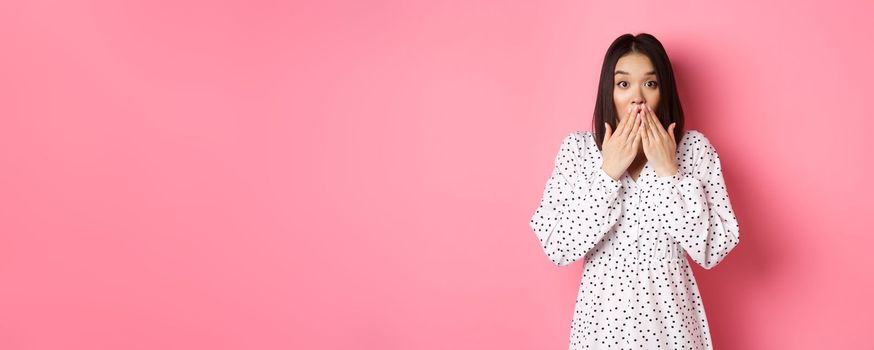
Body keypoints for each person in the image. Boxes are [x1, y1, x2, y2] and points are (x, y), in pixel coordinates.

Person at [529, 33, 740, 349]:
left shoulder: (694, 150)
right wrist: (608, 173)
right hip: (601, 331)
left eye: (650, 84)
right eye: (624, 84)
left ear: (663, 91)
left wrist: (670, 172)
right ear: (609, 92)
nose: (637, 97)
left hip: (673, 330)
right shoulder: (578, 150)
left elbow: (714, 248)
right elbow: (558, 246)